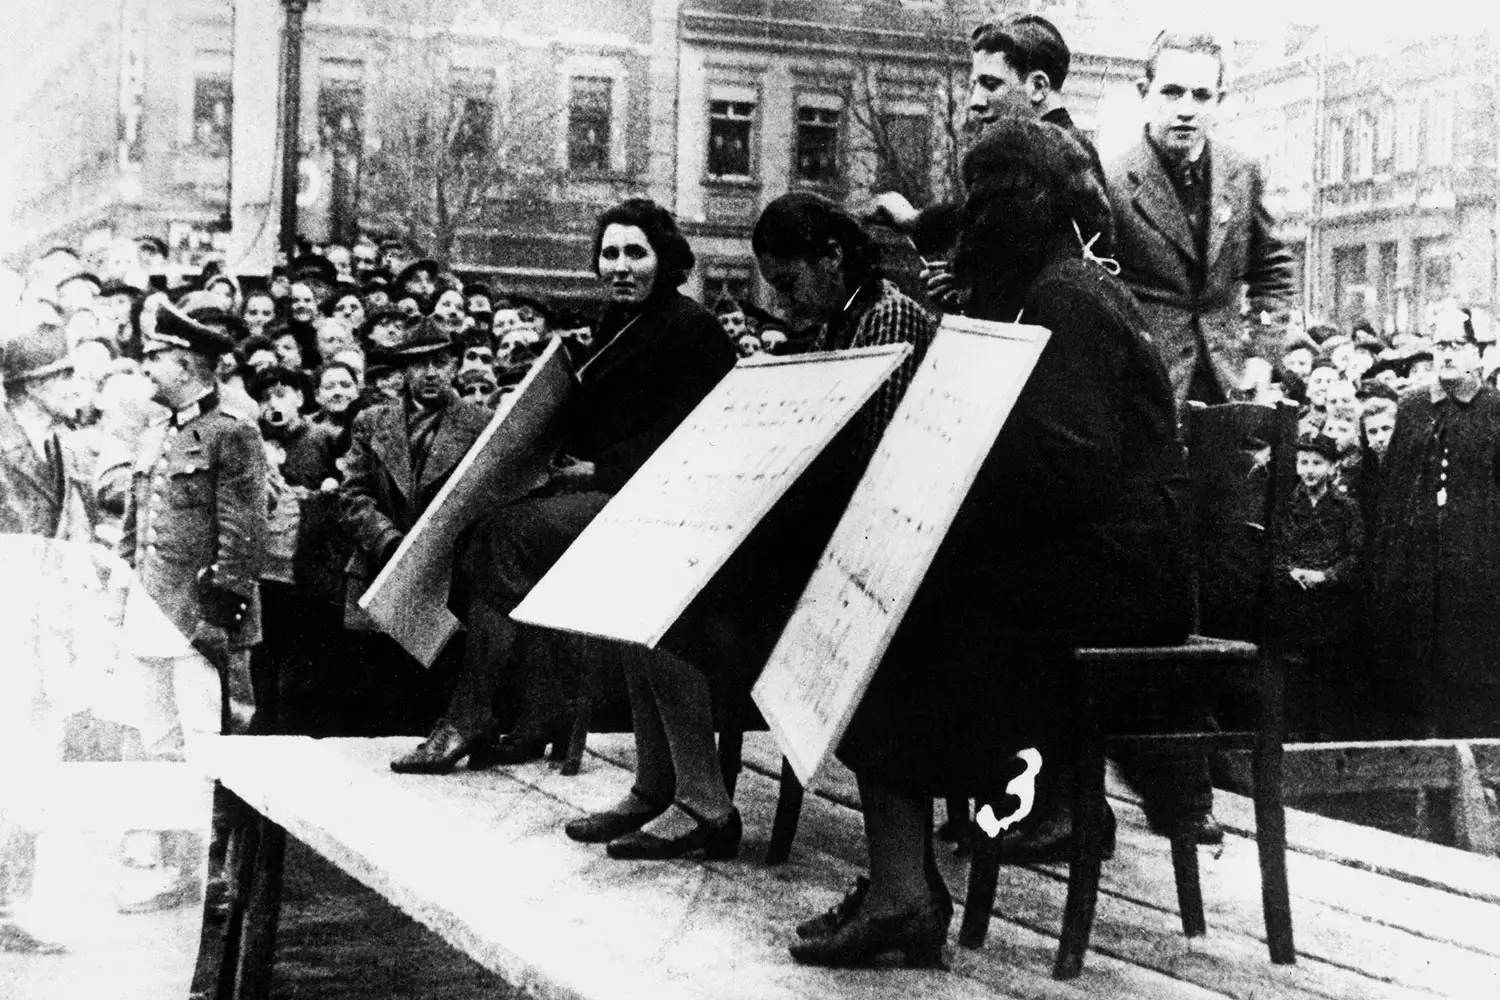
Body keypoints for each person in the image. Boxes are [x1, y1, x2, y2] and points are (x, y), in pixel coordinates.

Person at [789, 119, 1191, 967]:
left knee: (895, 614)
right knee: (897, 591)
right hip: (1107, 563)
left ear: (1004, 211)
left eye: (978, 205)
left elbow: (1071, 472)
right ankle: (905, 884)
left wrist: (951, 487)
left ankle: (904, 893)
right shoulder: (1061, 286)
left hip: (1120, 579)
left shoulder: (1066, 299)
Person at [570, 193, 938, 862]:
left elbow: (865, 462)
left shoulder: (889, 317)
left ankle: (705, 805)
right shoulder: (843, 316)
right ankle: (658, 783)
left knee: (669, 595)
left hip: (865, 555)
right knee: (639, 582)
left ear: (833, 258)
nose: (789, 304)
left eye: (792, 284)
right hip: (824, 533)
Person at [389, 198, 735, 776]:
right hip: (609, 493)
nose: (620, 267)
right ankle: (538, 713)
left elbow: (697, 431)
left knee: (505, 538)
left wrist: (599, 469)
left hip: (657, 505)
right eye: (609, 254)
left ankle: (470, 715)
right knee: (490, 528)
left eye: (635, 253)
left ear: (666, 259)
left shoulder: (692, 328)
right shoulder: (617, 324)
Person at [1106, 31, 1295, 409]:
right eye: (1172, 92)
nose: (1188, 109)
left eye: (1202, 95)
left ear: (1220, 101)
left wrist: (1262, 352)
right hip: (1146, 392)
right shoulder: (1112, 183)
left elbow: (1272, 270)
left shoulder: (1242, 174)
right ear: (1144, 93)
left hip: (1226, 385)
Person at [336, 319, 493, 733]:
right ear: (403, 371)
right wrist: (389, 542)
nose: (430, 373)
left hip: (448, 579)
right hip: (380, 572)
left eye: (441, 362)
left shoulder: (482, 423)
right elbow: (352, 496)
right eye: (419, 363)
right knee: (379, 698)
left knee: (439, 691)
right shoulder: (372, 421)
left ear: (456, 365)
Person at [1, 319, 92, 954]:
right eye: (63, 375)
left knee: (30, 770)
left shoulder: (55, 442)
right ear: (32, 386)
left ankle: (11, 905)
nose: (75, 384)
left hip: (40, 631)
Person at [1367, 308, 1500, 738]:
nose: (1445, 354)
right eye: (1438, 345)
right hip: (1418, 566)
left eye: (1454, 345)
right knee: (1416, 669)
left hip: (1477, 566)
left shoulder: (1494, 410)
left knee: (1471, 669)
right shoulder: (1411, 405)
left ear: (1476, 353)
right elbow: (1393, 491)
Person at [1270, 434, 1363, 740]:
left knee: (1328, 680)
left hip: (1331, 609)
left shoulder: (1345, 508)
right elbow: (1274, 548)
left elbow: (1356, 556)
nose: (1308, 470)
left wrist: (1326, 576)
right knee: (1294, 678)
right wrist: (1290, 572)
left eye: (1316, 463)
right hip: (1294, 606)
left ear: (1332, 467)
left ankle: (1328, 745)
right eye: (1303, 462)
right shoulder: (1286, 505)